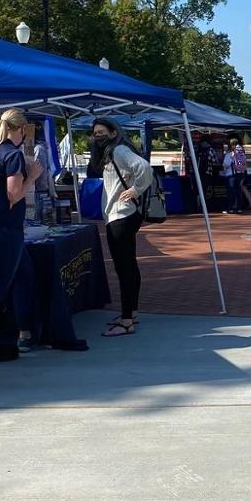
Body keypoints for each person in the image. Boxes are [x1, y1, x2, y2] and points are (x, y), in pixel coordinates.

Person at [0, 109, 42, 363]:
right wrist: (32, 177)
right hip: (5, 227)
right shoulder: (13, 155)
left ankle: (24, 331)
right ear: (20, 130)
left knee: (23, 275)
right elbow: (13, 195)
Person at [94, 117, 154, 337]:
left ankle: (127, 320)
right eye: (95, 133)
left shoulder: (119, 150)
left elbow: (144, 167)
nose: (97, 136)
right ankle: (131, 313)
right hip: (121, 215)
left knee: (124, 268)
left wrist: (136, 190)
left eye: (102, 132)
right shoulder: (111, 152)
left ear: (113, 133)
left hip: (121, 215)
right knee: (128, 266)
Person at [222, 137, 250, 215]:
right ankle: (239, 208)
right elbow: (245, 165)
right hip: (240, 175)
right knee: (238, 192)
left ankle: (230, 209)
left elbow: (225, 165)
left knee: (230, 192)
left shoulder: (230, 154)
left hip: (231, 175)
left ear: (231, 145)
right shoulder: (241, 153)